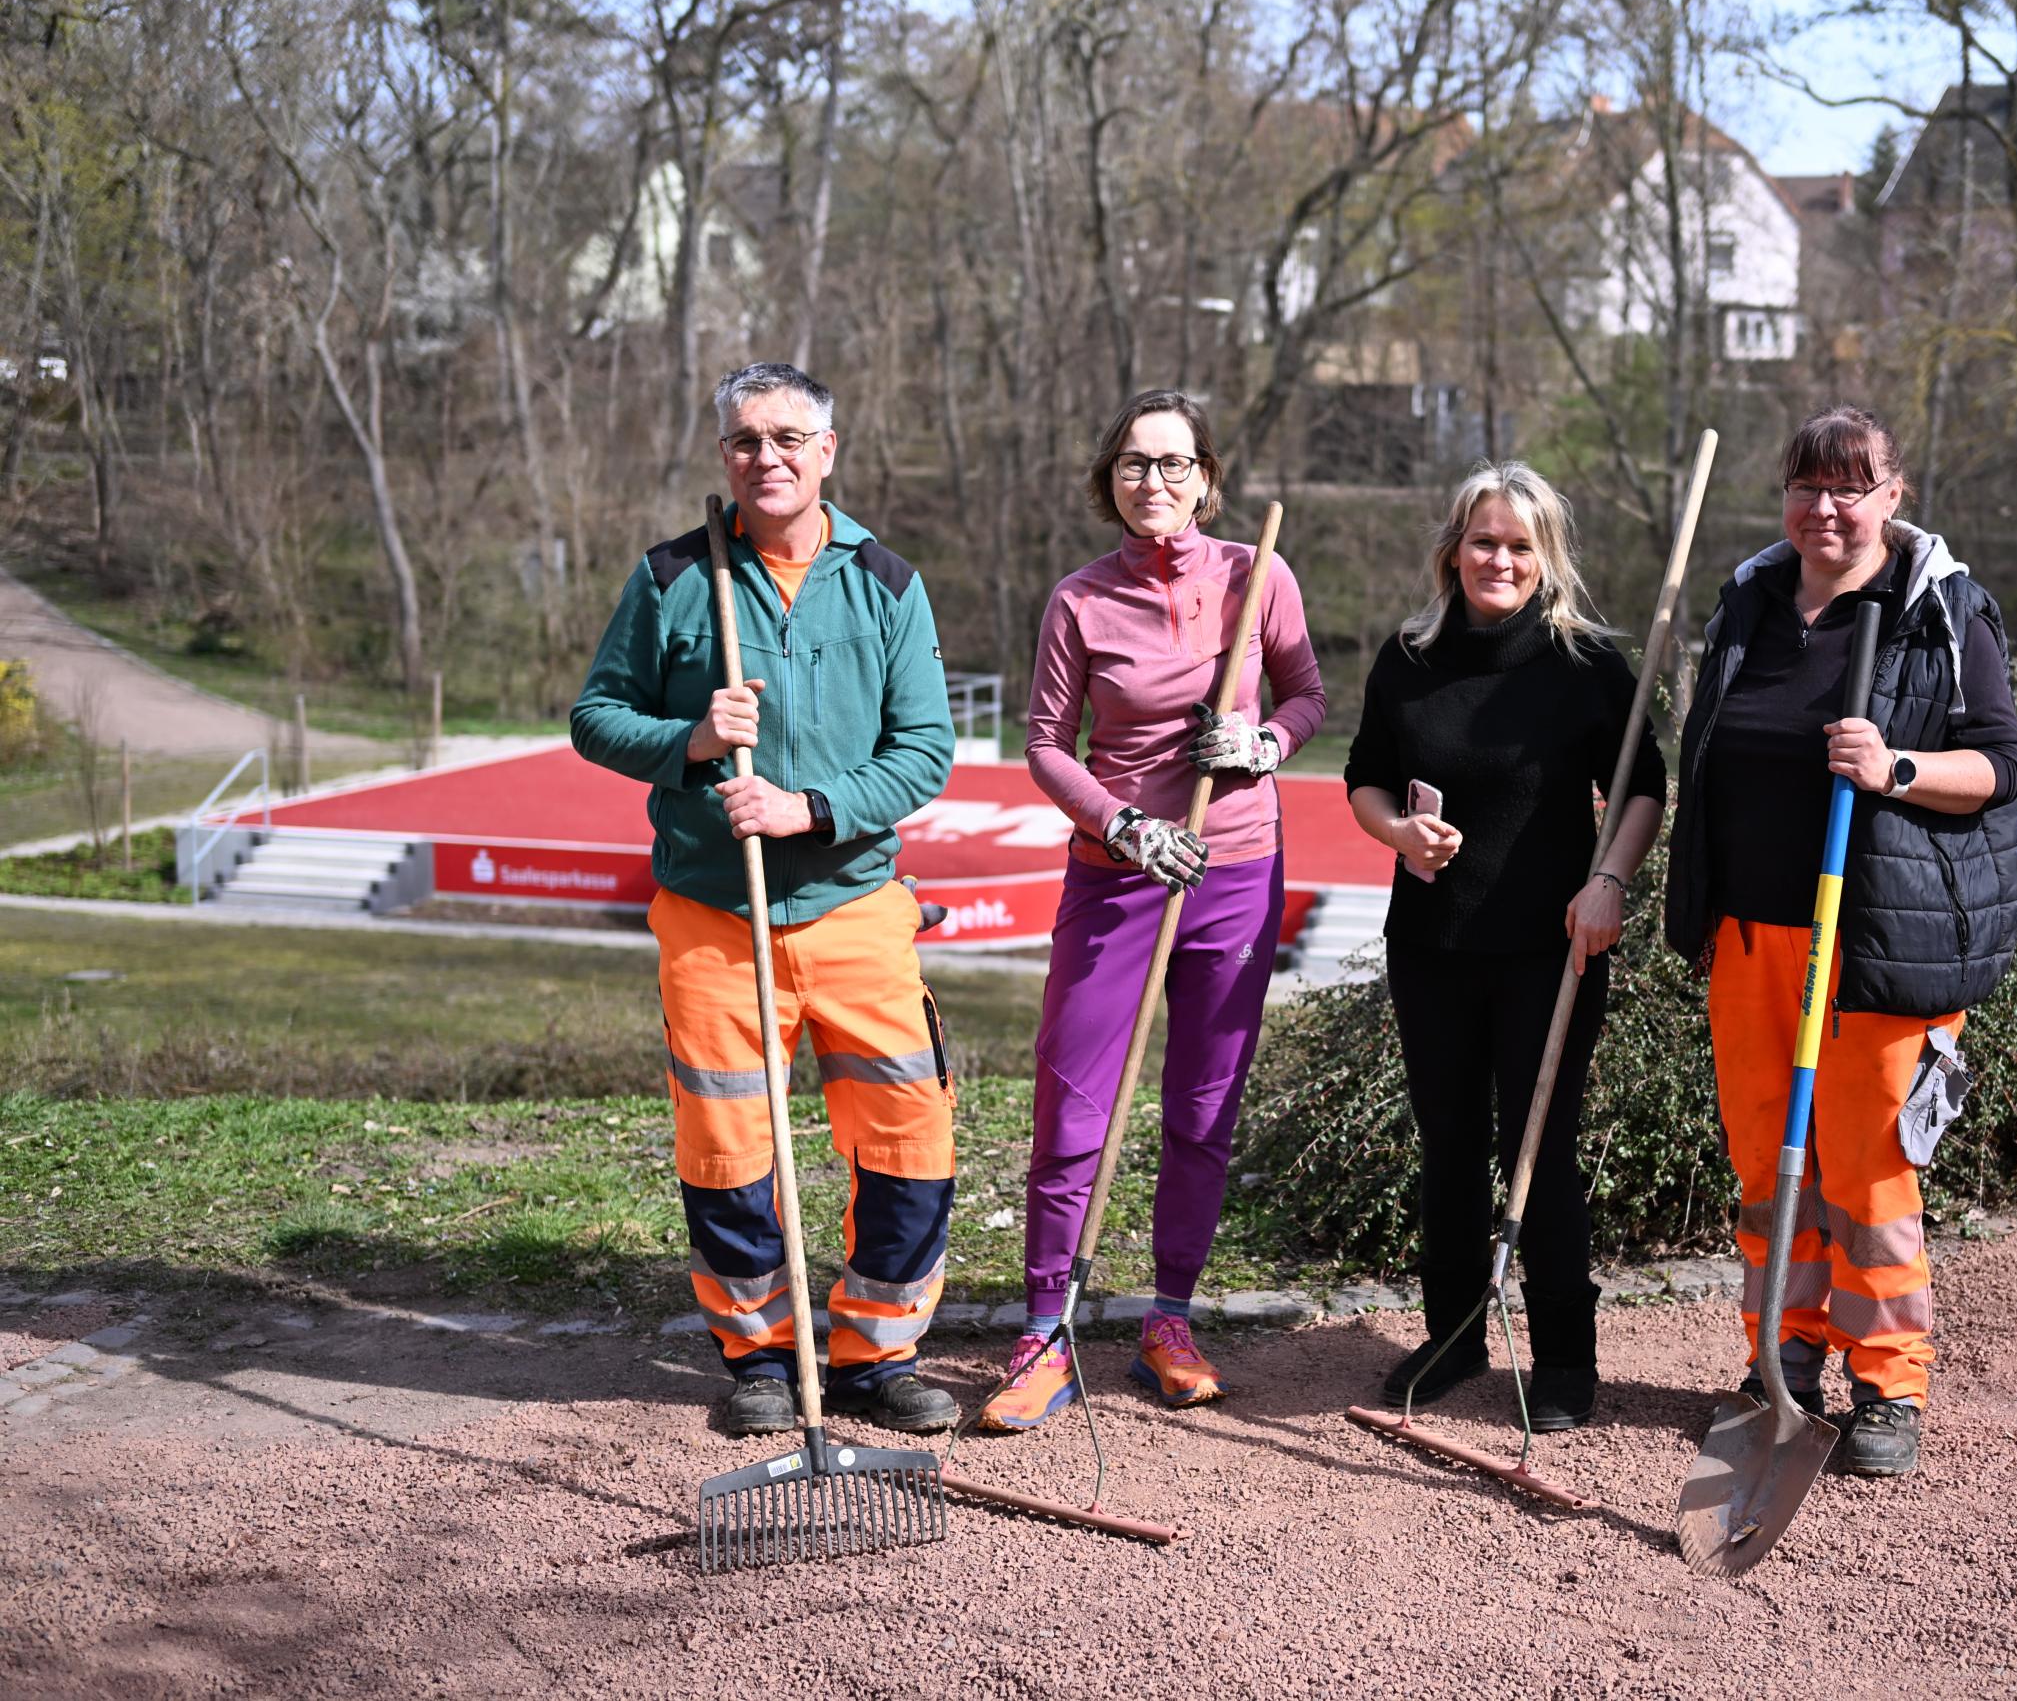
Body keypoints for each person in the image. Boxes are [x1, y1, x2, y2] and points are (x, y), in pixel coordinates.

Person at [570, 362, 963, 1437]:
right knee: (729, 1146)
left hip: (854, 905)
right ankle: (759, 1355)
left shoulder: (885, 581)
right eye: (746, 440)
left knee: (907, 1135)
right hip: (714, 913)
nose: (767, 457)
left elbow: (925, 749)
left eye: (789, 437)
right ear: (724, 455)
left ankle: (878, 1354)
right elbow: (596, 717)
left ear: (828, 450)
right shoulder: (672, 577)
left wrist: (810, 809)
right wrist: (693, 740)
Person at [1662, 405, 2017, 1477]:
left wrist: (1895, 767)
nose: (1824, 507)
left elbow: (1999, 766)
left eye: (1849, 487)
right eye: (1806, 485)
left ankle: (1889, 1383)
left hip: (1875, 942)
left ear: (1892, 497)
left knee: (1868, 1174)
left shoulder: (1941, 608)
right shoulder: (1749, 600)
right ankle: (1782, 1353)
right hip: (1749, 935)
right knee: (1767, 1163)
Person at [983, 389, 1327, 1430]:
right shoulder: (1080, 599)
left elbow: (1307, 695)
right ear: (1111, 479)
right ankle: (1044, 1332)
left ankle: (1169, 1320)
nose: (1154, 481)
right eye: (1135, 462)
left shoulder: (1259, 576)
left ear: (1205, 478)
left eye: (1175, 463)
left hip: (1235, 869)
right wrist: (1122, 822)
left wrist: (1264, 744)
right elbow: (1045, 744)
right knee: (1073, 1107)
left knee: (1202, 1110)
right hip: (1119, 872)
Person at [1341, 460, 1665, 1433]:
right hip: (1431, 945)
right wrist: (1397, 832)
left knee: (1541, 1148)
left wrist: (1609, 881)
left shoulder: (1586, 664)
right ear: (1454, 549)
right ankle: (1452, 1338)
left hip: (1551, 949)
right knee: (1448, 1145)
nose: (1501, 559)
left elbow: (1643, 787)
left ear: (1546, 556)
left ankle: (1564, 1353)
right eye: (1484, 540)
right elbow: (1363, 776)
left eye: (1521, 545)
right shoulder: (1408, 656)